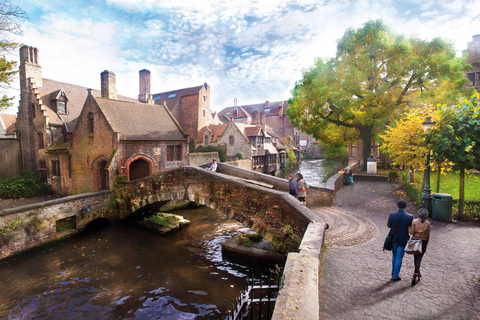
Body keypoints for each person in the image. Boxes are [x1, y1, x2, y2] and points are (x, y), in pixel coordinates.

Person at [387, 200, 413, 281]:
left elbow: (389, 225)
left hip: (393, 237)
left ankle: (393, 272)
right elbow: (410, 228)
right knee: (399, 257)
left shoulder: (392, 215)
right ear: (405, 207)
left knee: (394, 255)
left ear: (397, 206)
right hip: (403, 238)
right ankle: (395, 275)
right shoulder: (409, 217)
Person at [409, 208, 431, 285]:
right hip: (423, 242)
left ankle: (416, 273)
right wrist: (426, 242)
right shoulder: (427, 223)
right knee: (419, 260)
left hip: (415, 241)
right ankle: (416, 273)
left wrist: (408, 227)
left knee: (415, 258)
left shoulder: (414, 222)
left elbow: (411, 232)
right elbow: (428, 235)